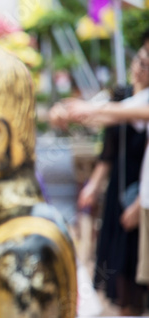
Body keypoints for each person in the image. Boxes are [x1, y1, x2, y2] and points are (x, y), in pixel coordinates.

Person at [50, 44, 149, 315]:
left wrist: (85, 110)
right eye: (140, 59)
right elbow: (107, 141)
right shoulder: (123, 96)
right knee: (117, 267)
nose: (139, 67)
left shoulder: (130, 104)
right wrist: (93, 185)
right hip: (122, 186)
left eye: (147, 64)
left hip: (141, 192)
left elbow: (111, 113)